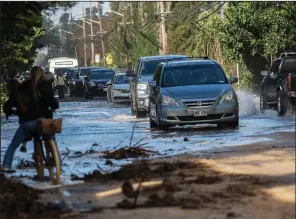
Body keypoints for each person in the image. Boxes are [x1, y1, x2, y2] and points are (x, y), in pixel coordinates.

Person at [1, 66, 59, 172]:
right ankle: (57, 162)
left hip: (27, 123)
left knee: (13, 145)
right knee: (51, 139)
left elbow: (8, 106)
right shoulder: (45, 86)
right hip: (44, 121)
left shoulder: (23, 89)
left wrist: (14, 112)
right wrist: (53, 107)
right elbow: (54, 102)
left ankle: (5, 166)